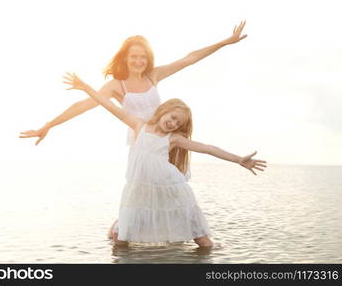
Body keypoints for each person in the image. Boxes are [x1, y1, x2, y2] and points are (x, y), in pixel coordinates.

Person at [63, 72, 267, 247]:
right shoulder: (138, 125)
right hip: (139, 189)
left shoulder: (174, 139)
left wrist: (239, 159)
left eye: (178, 122)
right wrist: (84, 87)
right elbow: (107, 104)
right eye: (172, 116)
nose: (172, 122)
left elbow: (207, 149)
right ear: (163, 111)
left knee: (202, 240)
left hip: (171, 187)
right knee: (119, 240)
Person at [19, 21, 247, 146]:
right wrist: (48, 125)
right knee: (144, 195)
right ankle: (120, 231)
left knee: (168, 194)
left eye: (143, 57)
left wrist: (225, 42)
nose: (138, 61)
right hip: (142, 141)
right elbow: (82, 106)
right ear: (125, 59)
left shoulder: (153, 76)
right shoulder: (117, 86)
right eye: (134, 57)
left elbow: (189, 58)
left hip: (166, 137)